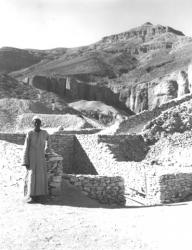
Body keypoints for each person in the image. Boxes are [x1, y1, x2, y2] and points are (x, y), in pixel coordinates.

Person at [22, 116, 51, 203]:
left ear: (40, 123)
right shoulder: (30, 133)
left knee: (41, 176)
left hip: (41, 158)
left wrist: (47, 150)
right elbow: (26, 147)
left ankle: (40, 196)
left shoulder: (44, 133)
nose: (37, 124)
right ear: (33, 123)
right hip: (32, 158)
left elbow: (49, 141)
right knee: (32, 176)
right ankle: (31, 196)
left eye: (38, 122)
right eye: (35, 122)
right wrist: (25, 161)